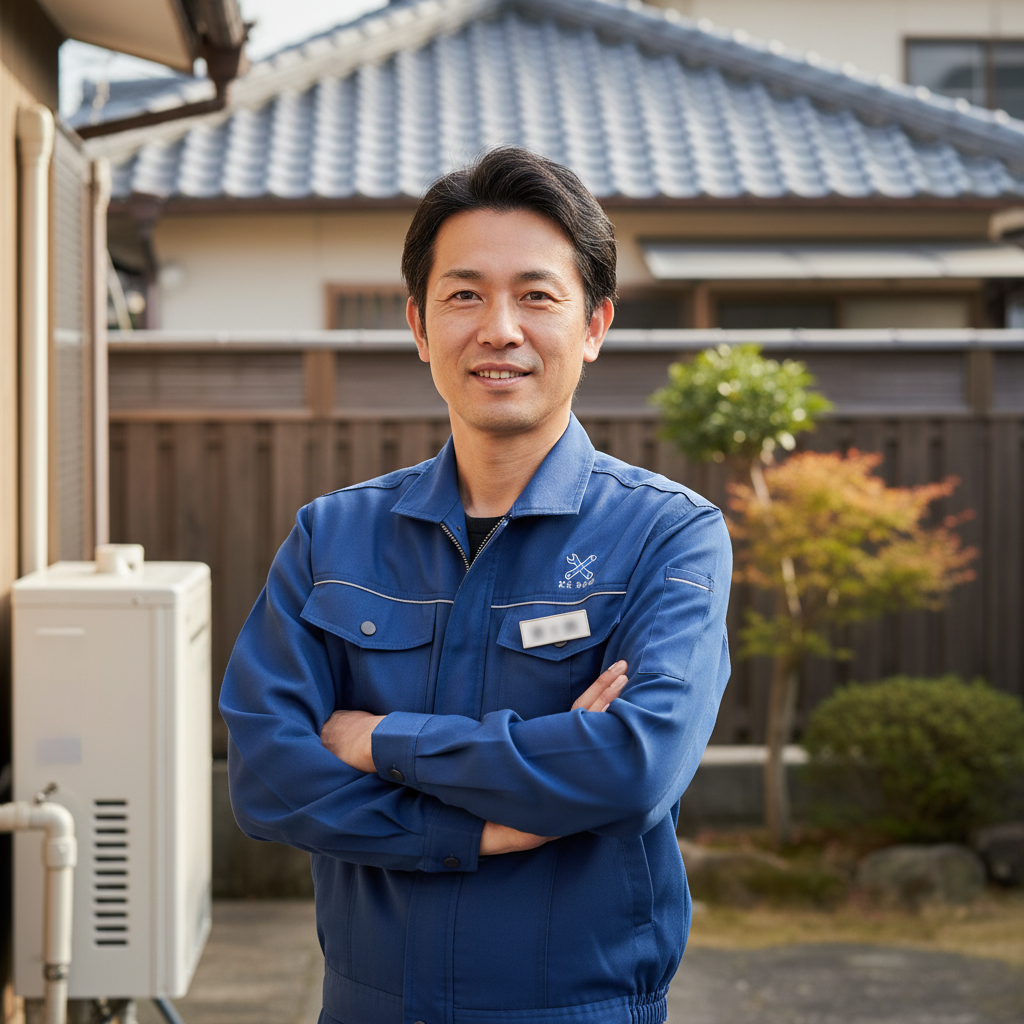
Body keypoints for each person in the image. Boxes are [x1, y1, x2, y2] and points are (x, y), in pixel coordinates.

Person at [219, 147, 732, 1024]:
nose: (500, 329)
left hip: (582, 1008)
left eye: (537, 296)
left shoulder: (667, 534)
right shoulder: (331, 537)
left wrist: (379, 740)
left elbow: (633, 767)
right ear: (420, 327)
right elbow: (267, 776)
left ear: (595, 325)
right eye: (465, 295)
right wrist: (482, 828)